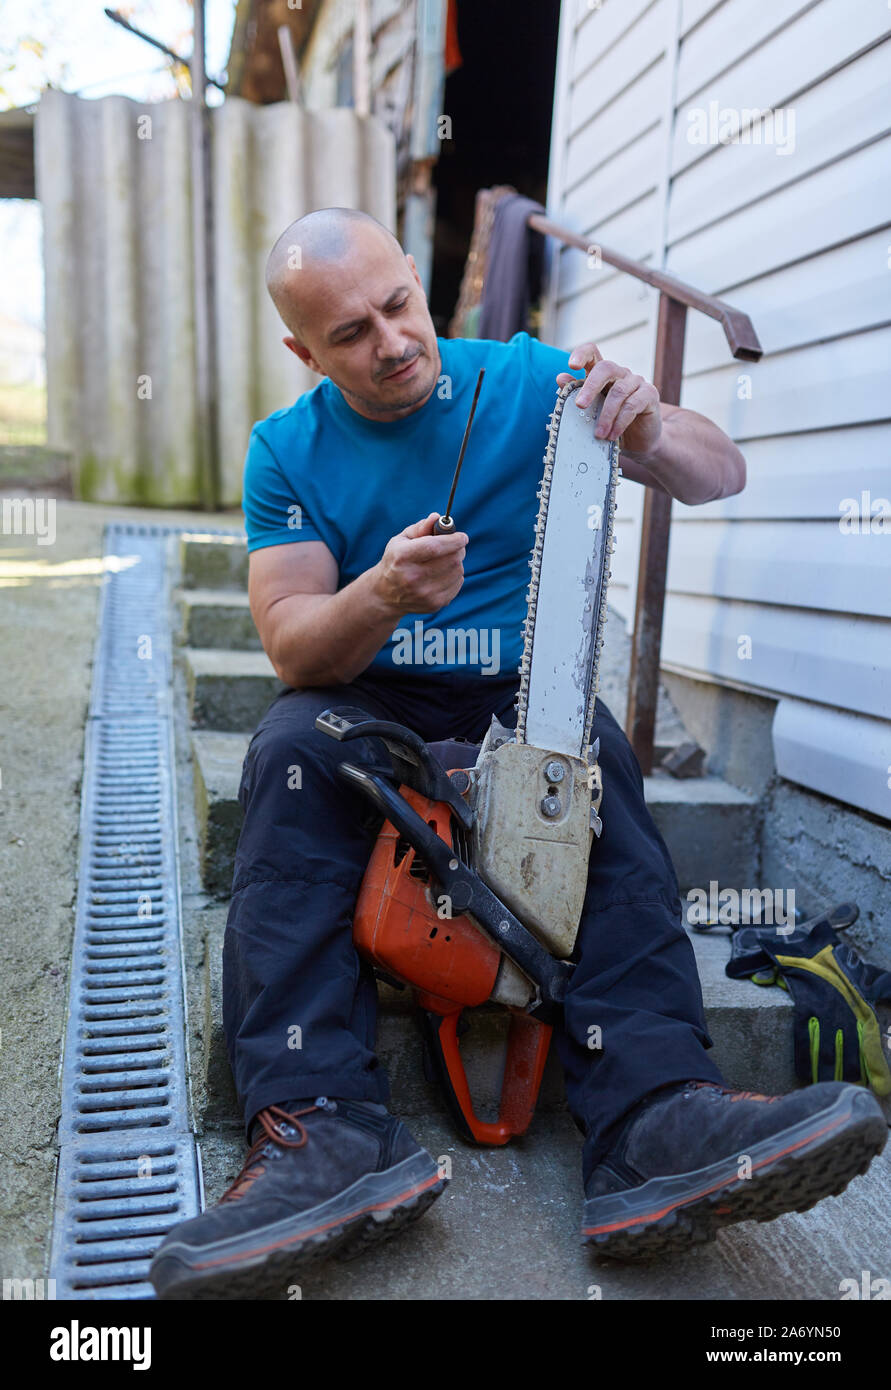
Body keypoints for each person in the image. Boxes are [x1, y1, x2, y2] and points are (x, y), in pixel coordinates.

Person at [149, 208, 886, 1298]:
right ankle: (324, 1130)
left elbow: (716, 472)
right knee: (288, 750)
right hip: (369, 701)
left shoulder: (528, 380)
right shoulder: (285, 450)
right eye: (349, 333)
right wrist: (383, 592)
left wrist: (645, 427)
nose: (391, 342)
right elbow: (293, 643)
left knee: (591, 747)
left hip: (520, 692)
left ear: (420, 281)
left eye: (399, 305)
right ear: (305, 352)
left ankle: (652, 1114)